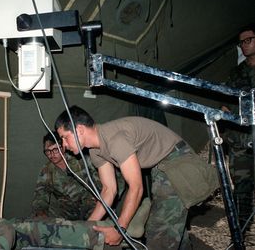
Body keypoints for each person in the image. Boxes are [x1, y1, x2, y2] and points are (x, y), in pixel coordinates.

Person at [55, 106, 219, 250]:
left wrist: (120, 229)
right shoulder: (95, 150)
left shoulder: (115, 139)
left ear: (80, 129)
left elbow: (136, 187)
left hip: (178, 163)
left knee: (159, 233)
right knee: (172, 231)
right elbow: (109, 190)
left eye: (64, 137)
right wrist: (87, 226)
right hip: (162, 168)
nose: (63, 145)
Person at [222, 23, 255, 230]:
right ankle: (241, 232)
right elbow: (225, 103)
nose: (244, 45)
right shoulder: (236, 73)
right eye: (241, 42)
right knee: (241, 189)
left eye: (248, 40)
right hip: (241, 140)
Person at [31, 131, 103, 220]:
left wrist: (100, 198)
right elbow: (40, 193)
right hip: (67, 210)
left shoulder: (80, 159)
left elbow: (101, 179)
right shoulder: (46, 170)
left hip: (90, 204)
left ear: (63, 147)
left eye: (56, 150)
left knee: (102, 222)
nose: (52, 155)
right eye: (48, 151)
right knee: (41, 219)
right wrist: (40, 212)